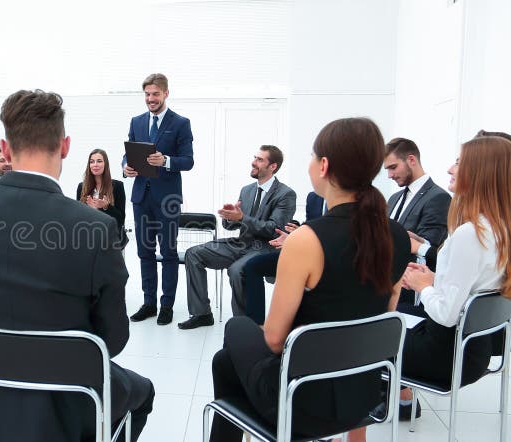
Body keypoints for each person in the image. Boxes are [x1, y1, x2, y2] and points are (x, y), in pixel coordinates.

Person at [0, 89, 154, 442]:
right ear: (66, 146)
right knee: (142, 393)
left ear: (5, 149)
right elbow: (112, 339)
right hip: (69, 394)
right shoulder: (96, 228)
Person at [209, 117, 409, 441]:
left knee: (236, 330)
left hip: (304, 401)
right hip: (365, 392)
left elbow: (274, 339)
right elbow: (383, 313)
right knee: (226, 362)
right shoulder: (397, 235)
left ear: (324, 166)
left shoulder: (307, 241)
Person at [396, 135, 511, 421]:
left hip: (445, 356)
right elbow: (474, 290)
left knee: (359, 334)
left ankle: (344, 421)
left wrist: (424, 287)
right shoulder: (498, 230)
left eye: (459, 162)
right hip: (473, 351)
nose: (450, 169)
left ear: (479, 171)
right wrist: (436, 279)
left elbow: (446, 315)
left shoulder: (470, 234)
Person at [178, 145, 296, 329]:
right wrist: (229, 217)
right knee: (193, 254)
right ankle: (202, 313)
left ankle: (244, 325)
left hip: (264, 248)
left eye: (259, 159)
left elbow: (274, 230)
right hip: (241, 243)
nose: (253, 162)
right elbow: (234, 224)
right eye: (254, 157)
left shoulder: (285, 194)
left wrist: (242, 217)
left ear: (273, 166)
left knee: (236, 270)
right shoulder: (247, 190)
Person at [124, 73, 194, 325]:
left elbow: (188, 161)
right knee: (144, 252)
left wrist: (166, 161)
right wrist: (126, 168)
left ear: (165, 93)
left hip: (167, 198)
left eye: (155, 94)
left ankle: (167, 305)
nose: (150, 99)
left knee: (168, 252)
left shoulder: (180, 123)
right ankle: (149, 303)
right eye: (147, 94)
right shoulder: (137, 121)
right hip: (141, 196)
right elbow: (127, 154)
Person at [235, 191, 324, 325]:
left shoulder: (354, 198)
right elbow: (312, 226)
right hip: (306, 251)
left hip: (327, 255)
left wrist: (303, 239)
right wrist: (297, 232)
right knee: (254, 265)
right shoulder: (313, 197)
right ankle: (256, 325)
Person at [383, 137, 451, 312]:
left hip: (410, 295)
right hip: (383, 287)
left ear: (411, 160)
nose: (390, 175)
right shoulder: (394, 198)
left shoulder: (438, 197)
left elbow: (430, 250)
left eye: (393, 167)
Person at [76, 148, 128, 247]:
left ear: (105, 164)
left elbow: (120, 220)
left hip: (110, 240)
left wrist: (106, 207)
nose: (95, 164)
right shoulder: (81, 187)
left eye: (99, 161)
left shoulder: (117, 186)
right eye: (92, 162)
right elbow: (79, 220)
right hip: (89, 239)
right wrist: (90, 210)